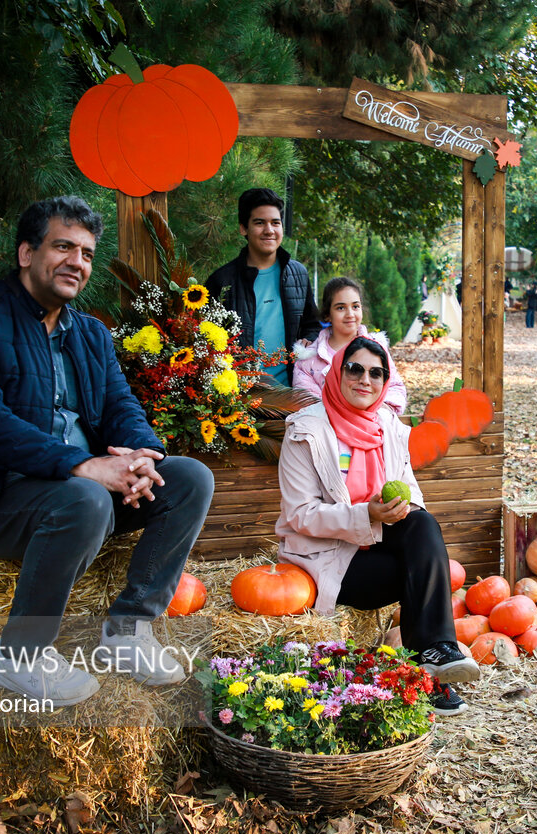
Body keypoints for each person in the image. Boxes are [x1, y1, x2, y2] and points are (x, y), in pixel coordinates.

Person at [0, 196, 216, 707]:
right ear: (25, 253)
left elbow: (120, 405)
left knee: (189, 478)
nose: (76, 262)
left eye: (86, 253)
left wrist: (143, 456)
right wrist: (84, 465)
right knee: (85, 498)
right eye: (63, 246)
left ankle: (127, 632)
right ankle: (21, 656)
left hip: (81, 495)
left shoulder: (90, 333)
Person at [275, 338, 479, 715]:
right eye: (354, 368)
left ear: (385, 380)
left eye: (376, 372)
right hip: (330, 559)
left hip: (381, 539)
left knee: (422, 523)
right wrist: (366, 514)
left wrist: (397, 509)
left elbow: (412, 491)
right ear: (337, 371)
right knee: (416, 571)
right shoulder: (305, 431)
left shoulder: (389, 425)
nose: (364, 379)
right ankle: (430, 674)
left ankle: (435, 652)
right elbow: (299, 514)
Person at [205, 188, 321, 385]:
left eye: (275, 223)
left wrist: (309, 339)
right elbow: (207, 343)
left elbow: (313, 325)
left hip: (293, 392)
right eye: (259, 223)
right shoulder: (221, 281)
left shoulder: (298, 275)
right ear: (243, 228)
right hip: (241, 396)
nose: (269, 230)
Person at [291, 277, 407, 415]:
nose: (350, 314)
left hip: (374, 429)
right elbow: (305, 402)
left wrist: (378, 411)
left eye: (355, 306)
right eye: (341, 308)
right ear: (328, 314)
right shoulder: (308, 360)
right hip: (327, 432)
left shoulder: (377, 350)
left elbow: (395, 388)